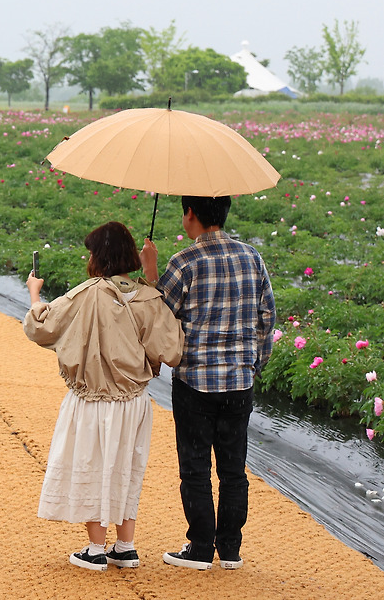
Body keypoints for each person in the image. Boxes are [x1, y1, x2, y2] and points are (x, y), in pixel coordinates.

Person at [25, 221, 184, 572]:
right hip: (135, 401)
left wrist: (35, 295)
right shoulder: (148, 297)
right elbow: (171, 350)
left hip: (93, 400)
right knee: (127, 466)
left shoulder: (86, 294)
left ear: (98, 257)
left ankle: (96, 549)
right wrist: (151, 278)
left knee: (92, 465)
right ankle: (125, 547)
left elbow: (41, 328)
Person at [140, 195, 276, 572]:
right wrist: (252, 366)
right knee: (234, 470)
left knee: (195, 467)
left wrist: (151, 272)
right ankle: (230, 550)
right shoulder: (252, 257)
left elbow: (159, 317)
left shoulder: (183, 262)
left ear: (190, 214)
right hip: (239, 383)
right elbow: (267, 318)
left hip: (194, 382)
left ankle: (200, 548)